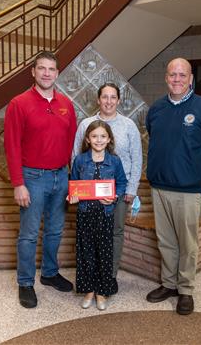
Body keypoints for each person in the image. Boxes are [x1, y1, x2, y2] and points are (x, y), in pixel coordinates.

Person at [145, 57, 201, 315]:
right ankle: (169, 284)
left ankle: (186, 290)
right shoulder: (156, 109)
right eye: (172, 75)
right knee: (166, 242)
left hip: (189, 192)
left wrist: (199, 173)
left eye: (182, 75)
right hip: (159, 188)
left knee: (188, 244)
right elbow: (154, 138)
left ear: (191, 78)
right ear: (166, 78)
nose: (177, 79)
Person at [4, 51, 77, 309]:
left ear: (57, 73)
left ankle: (49, 273)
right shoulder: (19, 104)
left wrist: (72, 179)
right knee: (29, 234)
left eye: (51, 69)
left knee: (55, 230)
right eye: (41, 68)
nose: (47, 73)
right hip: (32, 178)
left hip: (61, 176)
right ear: (33, 72)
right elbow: (11, 146)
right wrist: (18, 183)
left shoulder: (66, 104)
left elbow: (71, 144)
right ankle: (25, 283)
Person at [72, 83, 142, 290]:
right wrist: (77, 190)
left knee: (115, 232)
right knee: (89, 234)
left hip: (118, 191)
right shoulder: (86, 124)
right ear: (98, 99)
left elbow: (137, 158)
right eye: (105, 97)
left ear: (119, 100)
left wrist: (130, 189)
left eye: (113, 97)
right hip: (88, 195)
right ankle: (92, 276)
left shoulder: (129, 125)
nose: (109, 101)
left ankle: (109, 275)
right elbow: (75, 156)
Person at [69, 120, 127, 310]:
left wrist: (114, 197)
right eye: (94, 136)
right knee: (86, 252)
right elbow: (74, 184)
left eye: (103, 136)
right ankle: (89, 290)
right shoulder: (80, 160)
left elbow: (121, 182)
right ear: (88, 138)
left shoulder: (115, 161)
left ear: (109, 138)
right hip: (85, 214)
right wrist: (73, 196)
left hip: (105, 214)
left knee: (104, 253)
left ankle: (102, 292)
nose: (99, 140)